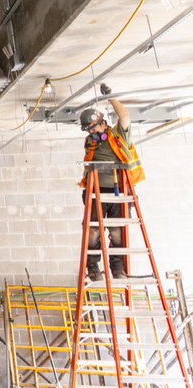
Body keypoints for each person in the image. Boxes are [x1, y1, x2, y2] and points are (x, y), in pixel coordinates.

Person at [78, 83, 144, 280]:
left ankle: (117, 268)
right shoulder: (90, 142)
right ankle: (93, 266)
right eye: (88, 131)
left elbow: (125, 117)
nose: (91, 134)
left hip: (120, 190)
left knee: (117, 231)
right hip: (95, 190)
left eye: (92, 129)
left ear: (101, 123)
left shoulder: (118, 134)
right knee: (93, 232)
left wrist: (111, 96)